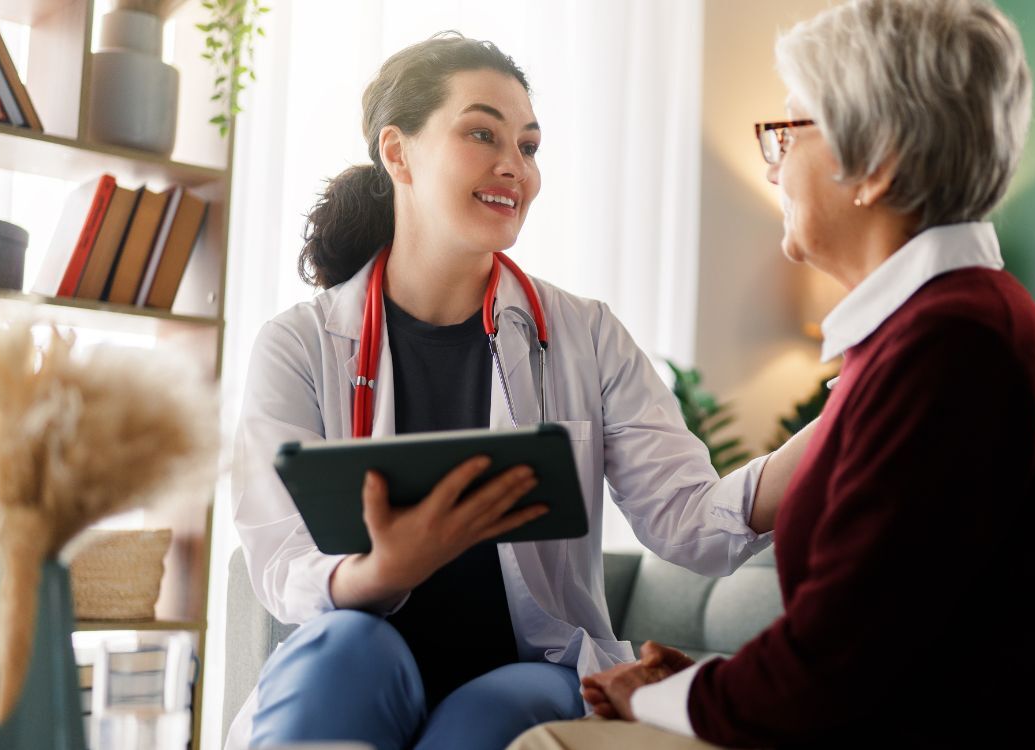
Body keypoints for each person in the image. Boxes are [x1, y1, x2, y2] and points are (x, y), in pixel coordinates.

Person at [515, 0, 1035, 747]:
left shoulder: (952, 349)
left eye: (789, 131)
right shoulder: (933, 335)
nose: (774, 164)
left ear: (876, 160)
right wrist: (695, 691)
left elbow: (839, 666)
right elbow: (876, 638)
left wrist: (665, 697)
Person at [227, 32, 814, 750]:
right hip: (357, 654)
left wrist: (849, 411)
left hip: (529, 668)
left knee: (487, 717)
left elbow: (690, 522)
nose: (516, 166)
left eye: (529, 146)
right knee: (342, 656)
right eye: (483, 133)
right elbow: (280, 559)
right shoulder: (300, 343)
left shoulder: (585, 335)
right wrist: (382, 571)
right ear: (397, 152)